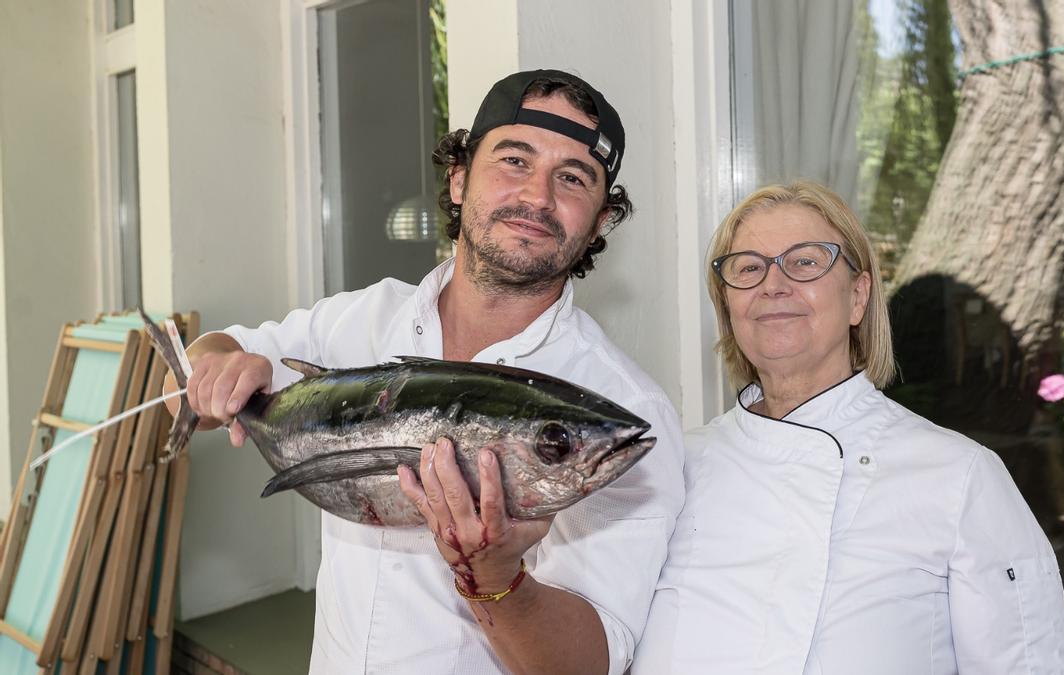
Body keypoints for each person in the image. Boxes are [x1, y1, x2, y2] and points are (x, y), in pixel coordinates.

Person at [165, 69, 684, 675]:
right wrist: (215, 368)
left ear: (599, 221)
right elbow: (197, 375)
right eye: (515, 160)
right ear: (459, 178)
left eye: (572, 177)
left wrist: (496, 579)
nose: (539, 197)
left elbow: (587, 664)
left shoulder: (622, 415)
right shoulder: (359, 319)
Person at [632, 180, 1064, 674]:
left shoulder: (960, 476)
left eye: (805, 262)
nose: (772, 285)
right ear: (728, 307)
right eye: (749, 268)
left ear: (858, 296)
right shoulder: (673, 466)